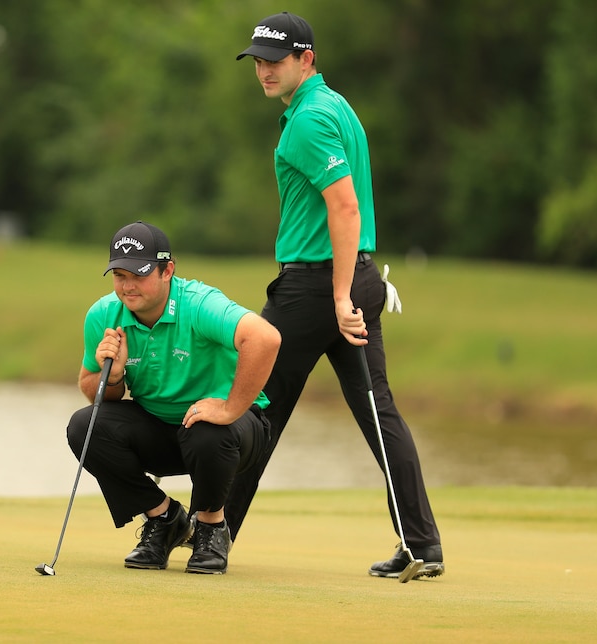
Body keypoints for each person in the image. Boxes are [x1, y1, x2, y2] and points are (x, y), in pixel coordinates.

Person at [227, 12, 444, 579]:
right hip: (355, 279)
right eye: (258, 62)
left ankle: (212, 535)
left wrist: (340, 294)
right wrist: (352, 290)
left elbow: (344, 207)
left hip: (316, 289)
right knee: (379, 410)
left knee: (253, 404)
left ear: (307, 59)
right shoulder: (337, 107)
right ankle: (422, 544)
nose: (265, 71)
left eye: (276, 61)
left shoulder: (309, 120)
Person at [66, 220, 281, 574]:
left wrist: (229, 408)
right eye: (119, 275)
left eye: (139, 273)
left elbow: (265, 338)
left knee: (207, 429)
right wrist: (115, 376)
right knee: (83, 426)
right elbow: (92, 386)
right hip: (161, 429)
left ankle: (212, 527)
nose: (128, 285)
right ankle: (165, 519)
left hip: (231, 434)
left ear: (168, 270)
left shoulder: (198, 305)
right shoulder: (104, 314)